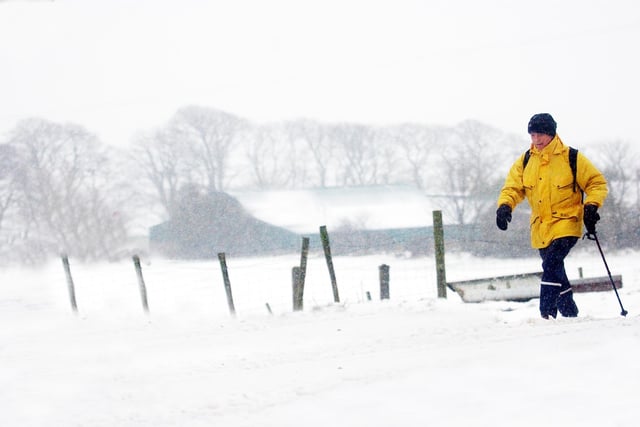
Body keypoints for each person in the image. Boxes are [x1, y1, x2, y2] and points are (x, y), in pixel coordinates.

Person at [496, 113, 608, 319]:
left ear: (552, 134)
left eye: (540, 135)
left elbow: (596, 183)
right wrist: (505, 206)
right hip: (540, 227)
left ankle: (546, 314)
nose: (536, 140)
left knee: (551, 264)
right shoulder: (525, 160)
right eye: (532, 135)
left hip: (567, 222)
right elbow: (513, 187)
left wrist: (591, 206)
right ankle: (569, 313)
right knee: (555, 269)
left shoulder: (572, 157)